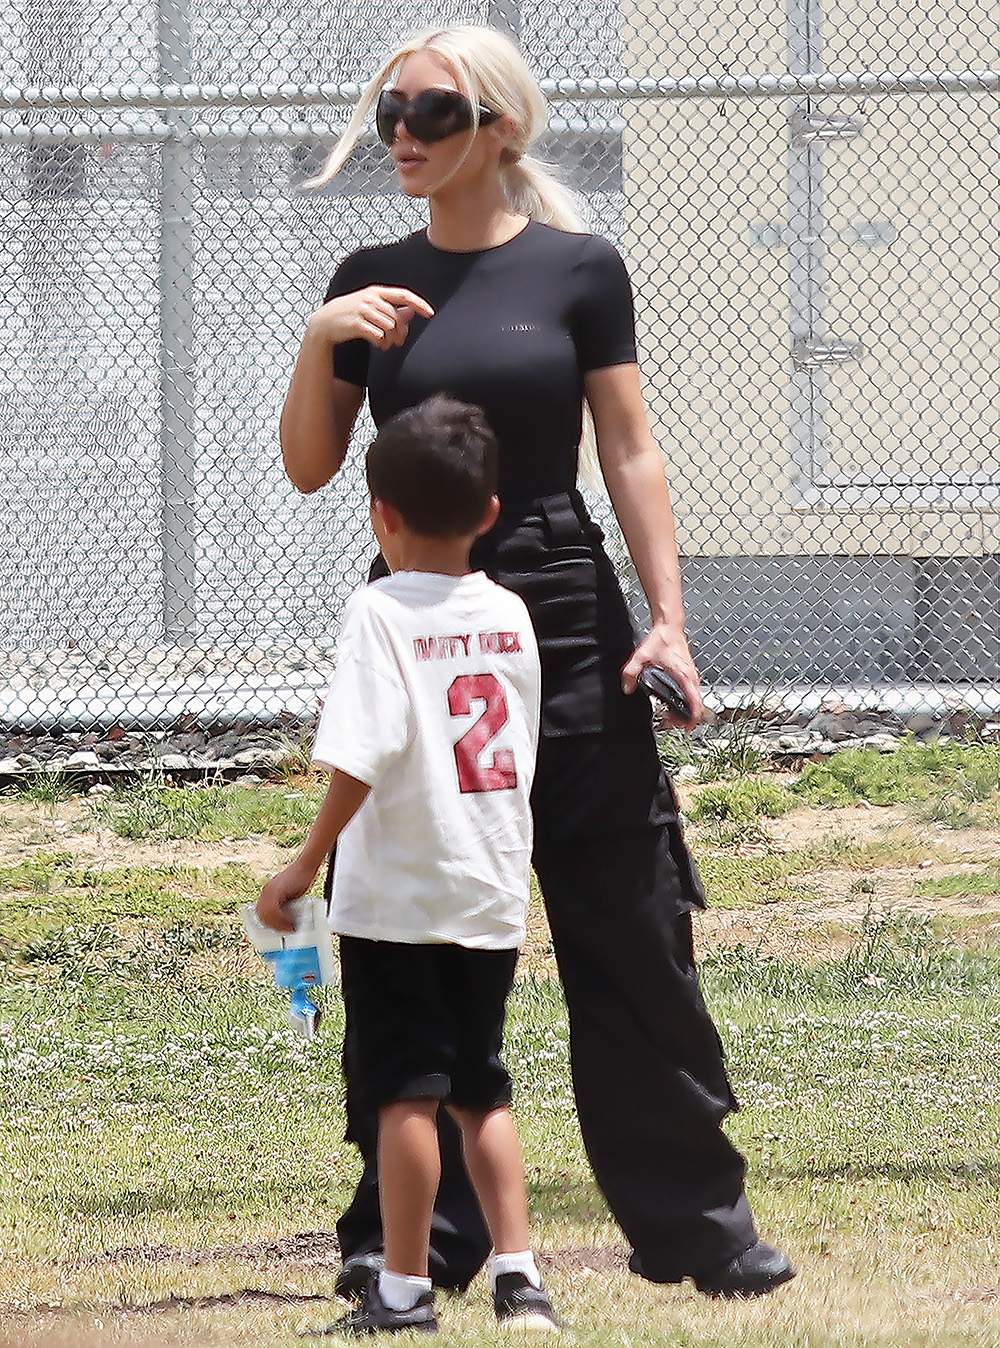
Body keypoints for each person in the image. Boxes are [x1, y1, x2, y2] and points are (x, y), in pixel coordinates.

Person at [280, 23, 795, 1301]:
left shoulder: (579, 269)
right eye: (390, 109)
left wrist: (665, 617)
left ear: (498, 128)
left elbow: (629, 449)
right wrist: (316, 340)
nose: (401, 133)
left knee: (626, 920)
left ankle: (696, 1226)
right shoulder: (369, 280)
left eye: (431, 113)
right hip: (419, 622)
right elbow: (308, 465)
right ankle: (413, 1242)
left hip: (564, 609)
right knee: (414, 920)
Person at [257, 395, 561, 1336]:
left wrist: (306, 863)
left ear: (380, 515)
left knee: (405, 1097)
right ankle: (521, 1279)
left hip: (399, 901)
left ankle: (403, 1291)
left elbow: (364, 750)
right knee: (482, 1090)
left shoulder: (380, 611)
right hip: (488, 887)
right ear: (490, 514)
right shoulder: (510, 613)